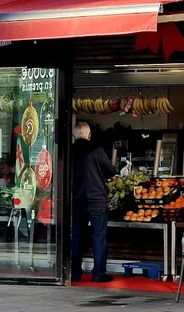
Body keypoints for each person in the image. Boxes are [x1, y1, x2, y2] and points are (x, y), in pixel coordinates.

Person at [71, 121, 117, 283]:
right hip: (97, 200)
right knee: (99, 237)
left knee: (76, 237)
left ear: (74, 136)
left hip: (75, 200)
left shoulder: (69, 151)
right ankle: (98, 273)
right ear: (89, 135)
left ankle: (74, 272)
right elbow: (111, 171)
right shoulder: (97, 151)